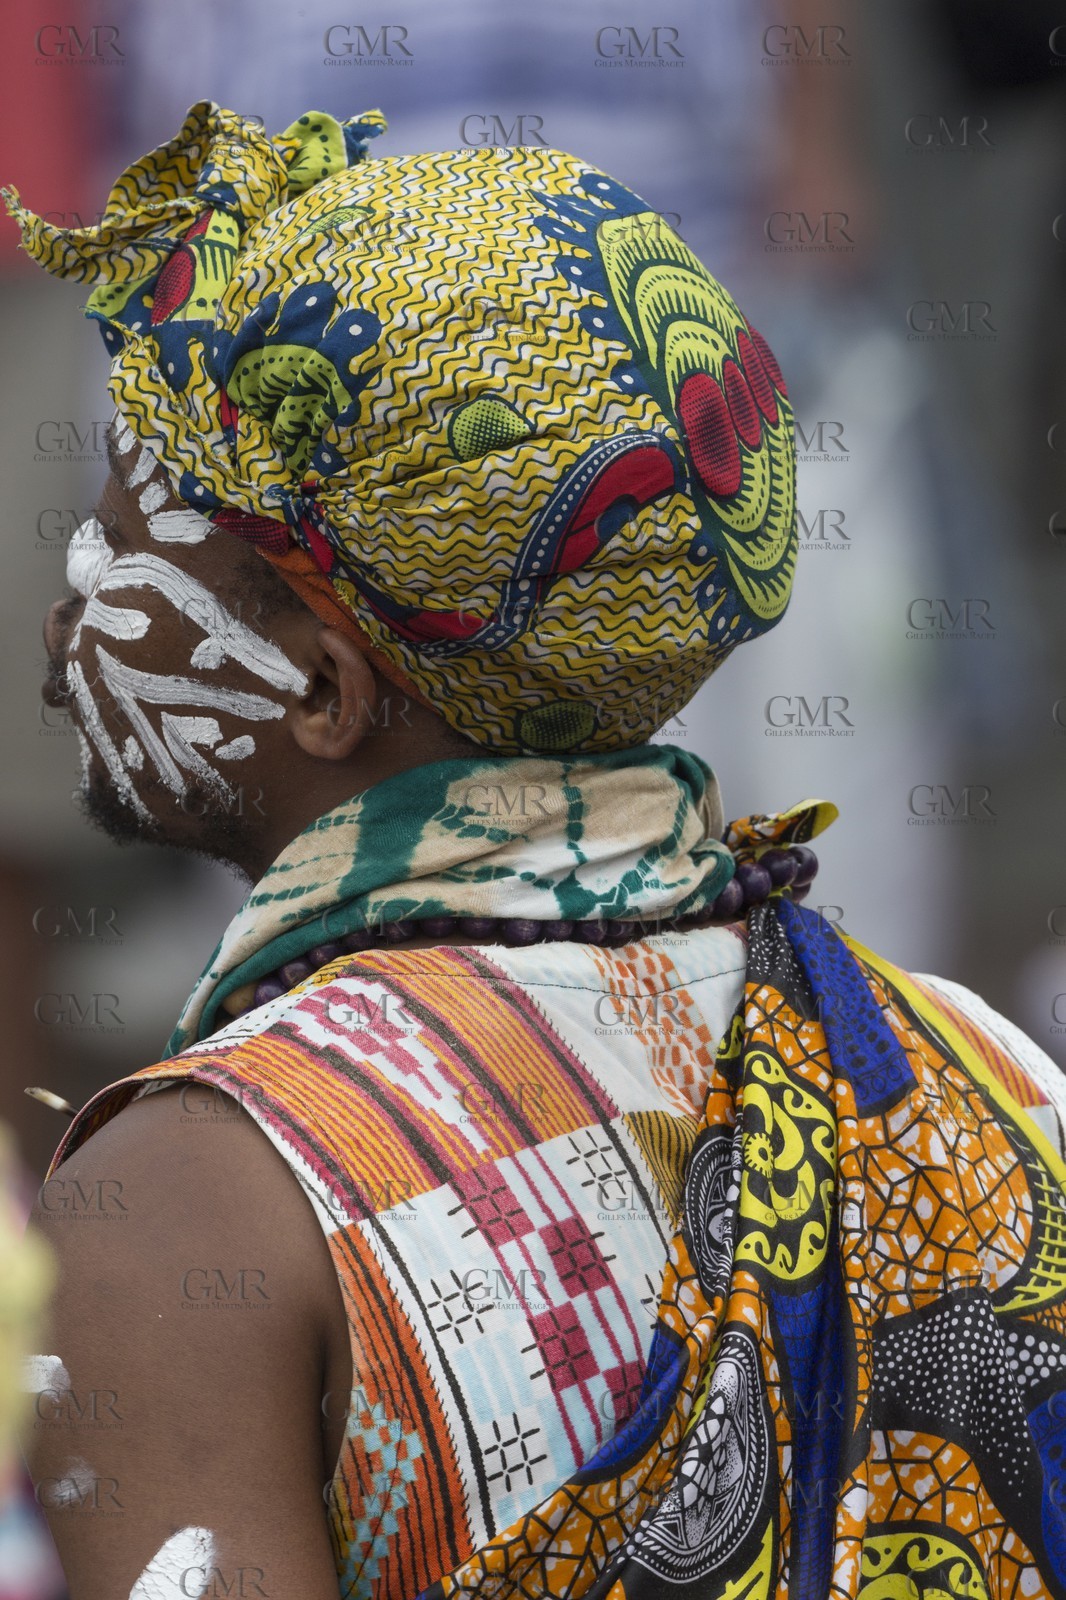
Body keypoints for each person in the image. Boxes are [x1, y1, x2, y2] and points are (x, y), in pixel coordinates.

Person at [5, 100, 1066, 1600]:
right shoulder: (963, 1062)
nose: (65, 623)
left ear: (321, 686)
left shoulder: (190, 1199)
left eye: (116, 558)